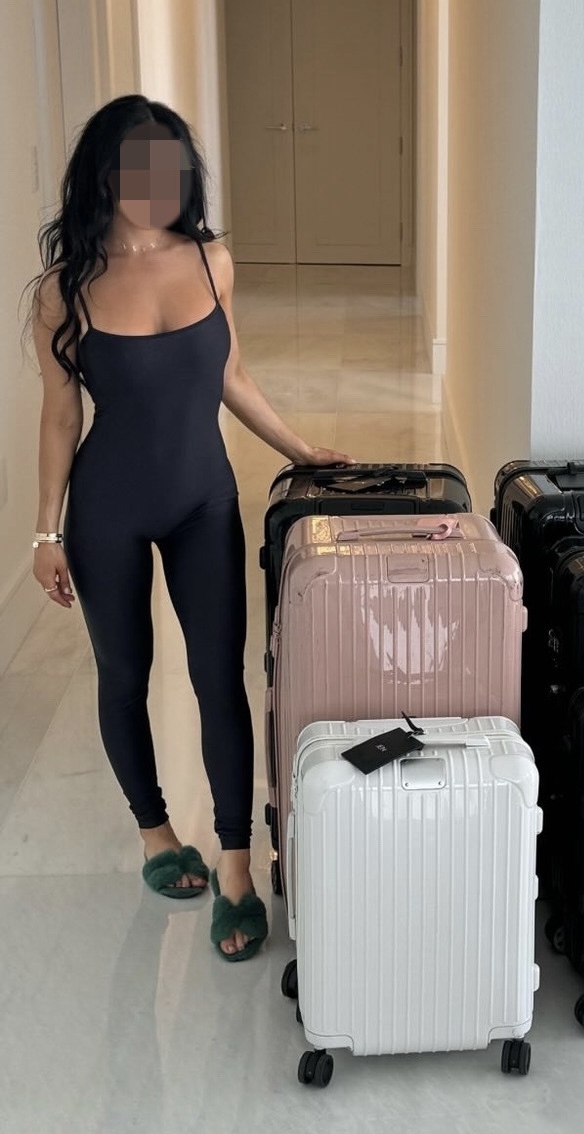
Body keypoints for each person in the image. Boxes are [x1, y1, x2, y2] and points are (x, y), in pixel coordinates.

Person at [28, 94, 353, 961]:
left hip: (203, 498)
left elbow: (231, 375)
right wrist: (44, 533)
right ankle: (156, 836)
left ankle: (236, 867)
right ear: (105, 174)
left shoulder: (213, 262)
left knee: (220, 677)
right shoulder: (66, 288)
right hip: (107, 506)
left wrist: (301, 448)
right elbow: (60, 417)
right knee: (123, 675)